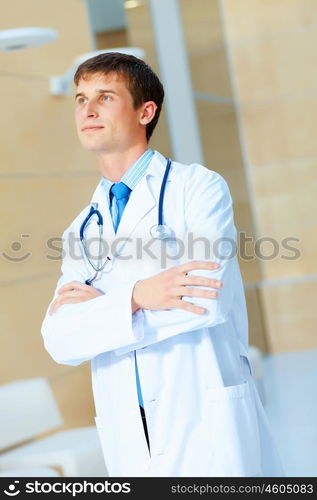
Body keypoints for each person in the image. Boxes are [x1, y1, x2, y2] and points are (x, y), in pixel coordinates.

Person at [41, 52, 284, 477]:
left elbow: (205, 302)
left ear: (145, 111)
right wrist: (137, 296)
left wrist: (102, 312)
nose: (88, 110)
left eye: (105, 97)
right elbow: (60, 340)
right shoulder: (82, 227)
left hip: (202, 416)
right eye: (80, 99)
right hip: (129, 429)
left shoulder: (198, 188)